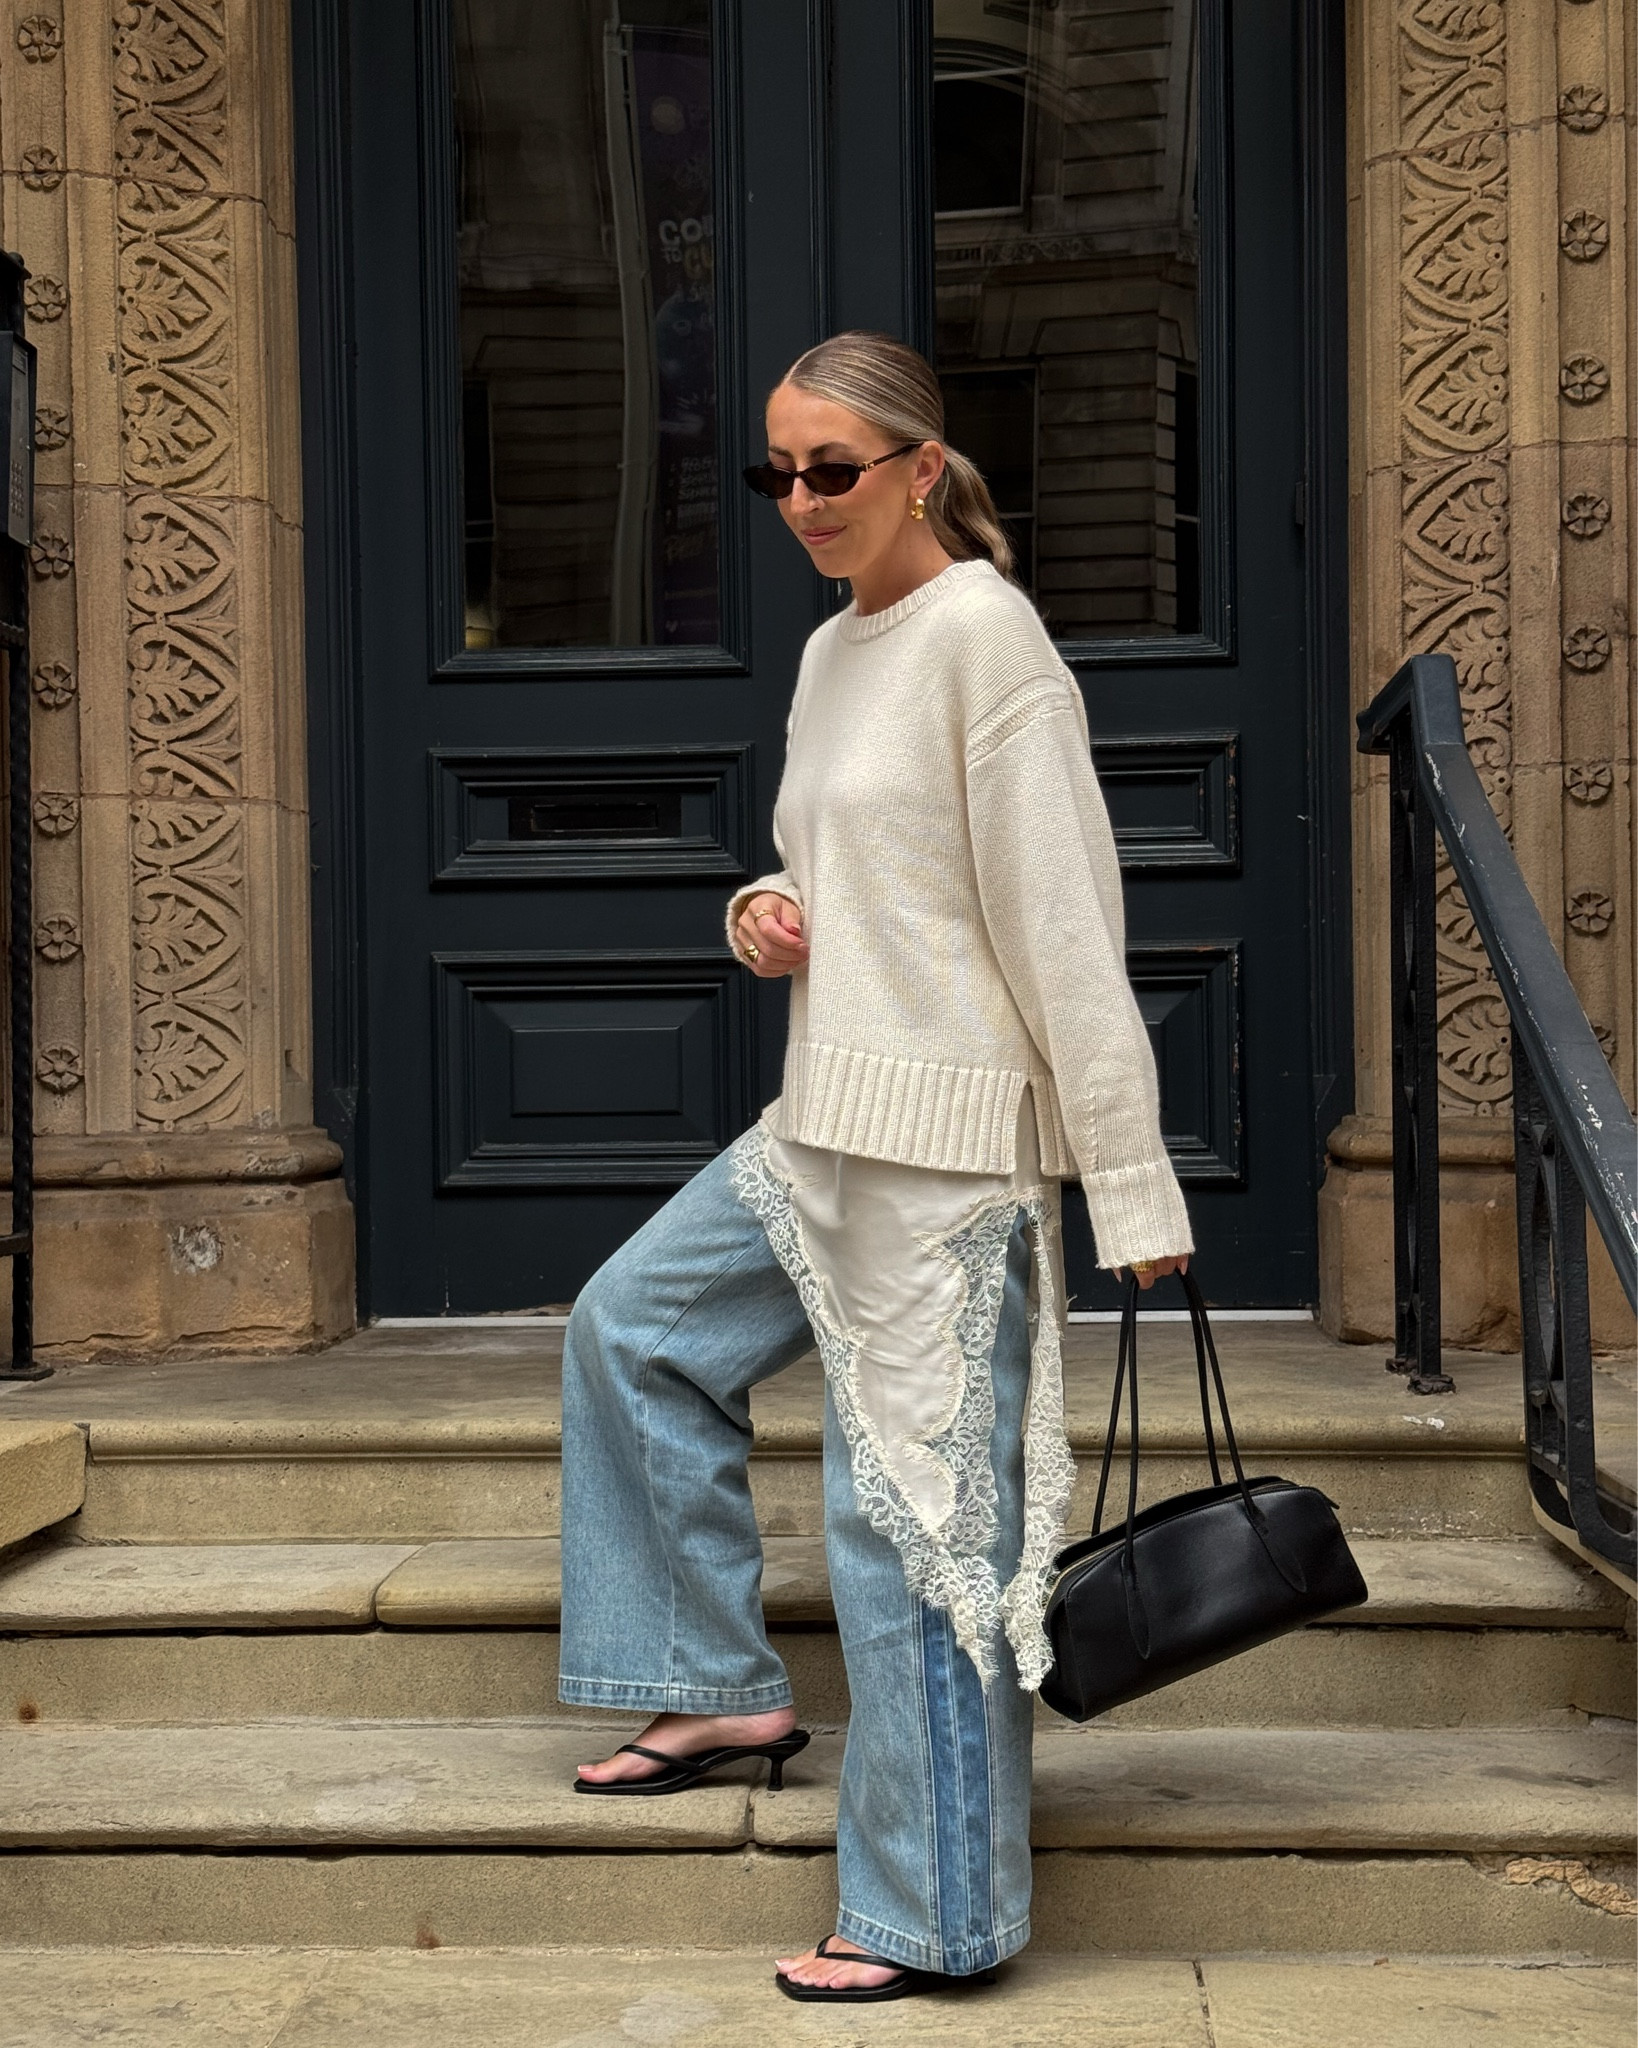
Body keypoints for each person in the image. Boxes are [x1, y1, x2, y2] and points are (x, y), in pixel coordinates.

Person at [558, 330, 1191, 2002]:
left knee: (913, 1532)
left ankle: (933, 1912)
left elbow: (1066, 930)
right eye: (775, 472)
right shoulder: (838, 651)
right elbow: (823, 856)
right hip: (820, 1116)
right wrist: (763, 915)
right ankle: (715, 1681)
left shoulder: (990, 643)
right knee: (631, 1331)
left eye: (831, 468)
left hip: (946, 1155)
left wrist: (1128, 1187)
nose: (800, 501)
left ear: (920, 463)